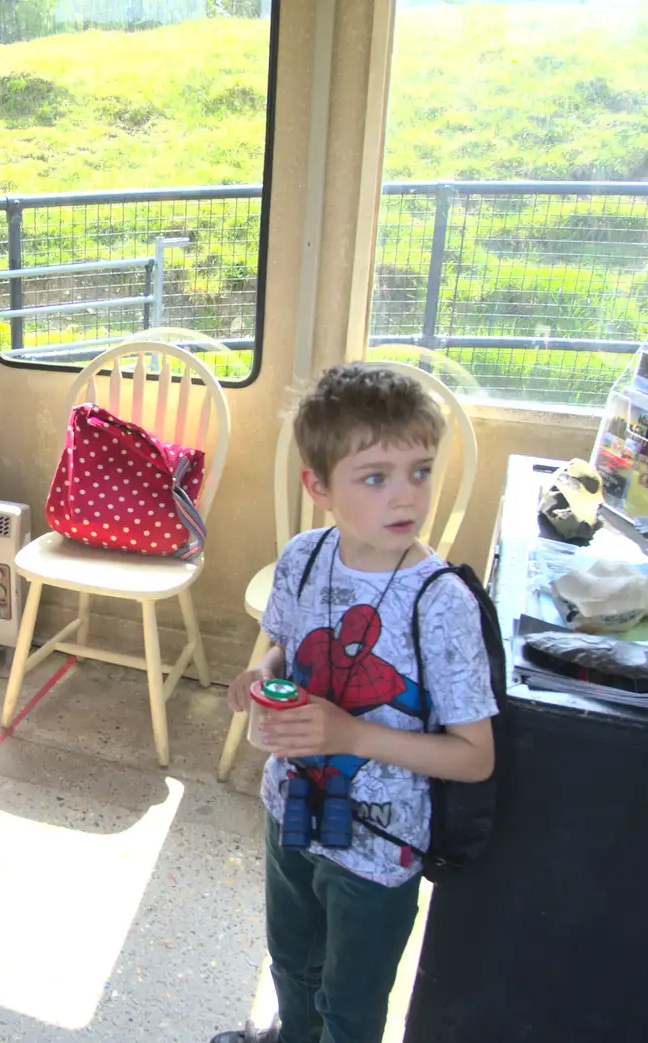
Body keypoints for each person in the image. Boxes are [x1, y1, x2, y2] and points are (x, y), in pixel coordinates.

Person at [212, 364, 497, 1043]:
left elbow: (475, 756)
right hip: (289, 807)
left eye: (420, 470)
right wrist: (257, 675)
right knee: (292, 962)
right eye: (375, 477)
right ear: (319, 486)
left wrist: (350, 734)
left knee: (351, 998)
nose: (407, 496)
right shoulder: (304, 558)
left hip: (380, 846)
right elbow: (284, 650)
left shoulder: (442, 602)